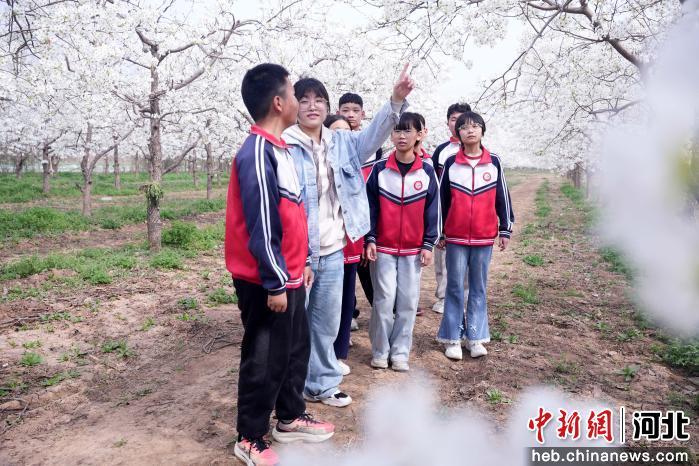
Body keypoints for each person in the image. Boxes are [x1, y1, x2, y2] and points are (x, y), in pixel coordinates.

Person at [283, 65, 414, 406]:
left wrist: (395, 100)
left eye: (319, 100)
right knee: (294, 324)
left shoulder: (341, 142)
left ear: (328, 107)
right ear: (294, 106)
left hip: (332, 250)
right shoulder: (284, 145)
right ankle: (291, 389)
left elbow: (373, 137)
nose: (312, 106)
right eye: (304, 99)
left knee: (326, 322)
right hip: (297, 252)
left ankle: (322, 384)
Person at [225, 63, 334, 466]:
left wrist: (301, 262)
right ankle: (250, 435)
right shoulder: (256, 152)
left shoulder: (279, 149)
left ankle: (289, 416)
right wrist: (274, 282)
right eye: (292, 93)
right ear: (277, 102)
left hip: (289, 273)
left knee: (294, 347)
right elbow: (263, 223)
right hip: (266, 280)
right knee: (264, 357)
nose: (298, 100)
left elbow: (293, 213)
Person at [436, 110, 514, 360]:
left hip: (483, 236)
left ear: (482, 130)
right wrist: (440, 232)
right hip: (456, 237)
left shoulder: (494, 162)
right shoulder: (451, 163)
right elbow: (442, 201)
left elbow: (502, 196)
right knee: (455, 287)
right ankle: (453, 338)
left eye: (475, 126)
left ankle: (475, 337)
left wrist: (505, 228)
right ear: (457, 133)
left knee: (478, 288)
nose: (469, 130)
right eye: (464, 127)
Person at [365, 112, 439, 372]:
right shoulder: (380, 169)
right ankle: (380, 350)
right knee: (384, 300)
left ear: (419, 134)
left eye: (407, 131)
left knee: (408, 302)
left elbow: (433, 211)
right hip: (383, 248)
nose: (401, 136)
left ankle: (399, 352)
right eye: (397, 130)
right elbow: (370, 207)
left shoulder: (427, 172)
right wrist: (370, 238)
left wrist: (428, 244)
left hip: (413, 250)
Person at [337, 92, 383, 330]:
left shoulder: (373, 147)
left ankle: (381, 313)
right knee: (344, 269)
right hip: (342, 215)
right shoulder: (333, 142)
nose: (350, 115)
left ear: (363, 114)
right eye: (345, 110)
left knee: (365, 267)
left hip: (364, 214)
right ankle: (350, 313)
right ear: (337, 112)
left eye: (355, 110)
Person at [324, 114, 357, 376]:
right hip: (325, 248)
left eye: (346, 132)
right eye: (336, 131)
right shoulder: (317, 161)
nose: (341, 136)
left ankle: (338, 353)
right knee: (325, 307)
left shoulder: (355, 163)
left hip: (350, 246)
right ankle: (320, 356)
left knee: (345, 303)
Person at [431, 103, 471, 314]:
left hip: (467, 215)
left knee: (466, 261)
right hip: (445, 212)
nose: (458, 123)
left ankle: (464, 298)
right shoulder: (441, 151)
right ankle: (443, 297)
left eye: (462, 119)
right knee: (443, 259)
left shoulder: (476, 149)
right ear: (447, 123)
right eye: (454, 119)